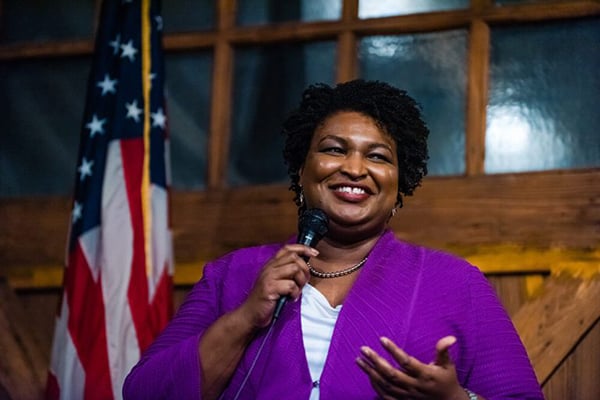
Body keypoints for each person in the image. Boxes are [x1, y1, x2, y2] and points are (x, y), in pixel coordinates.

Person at [123, 79, 544, 399]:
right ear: (302, 172)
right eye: (334, 149)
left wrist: (454, 399)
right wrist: (246, 317)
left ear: (400, 186)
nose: (355, 168)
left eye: (378, 156)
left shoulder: (455, 283)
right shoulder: (231, 276)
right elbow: (144, 392)